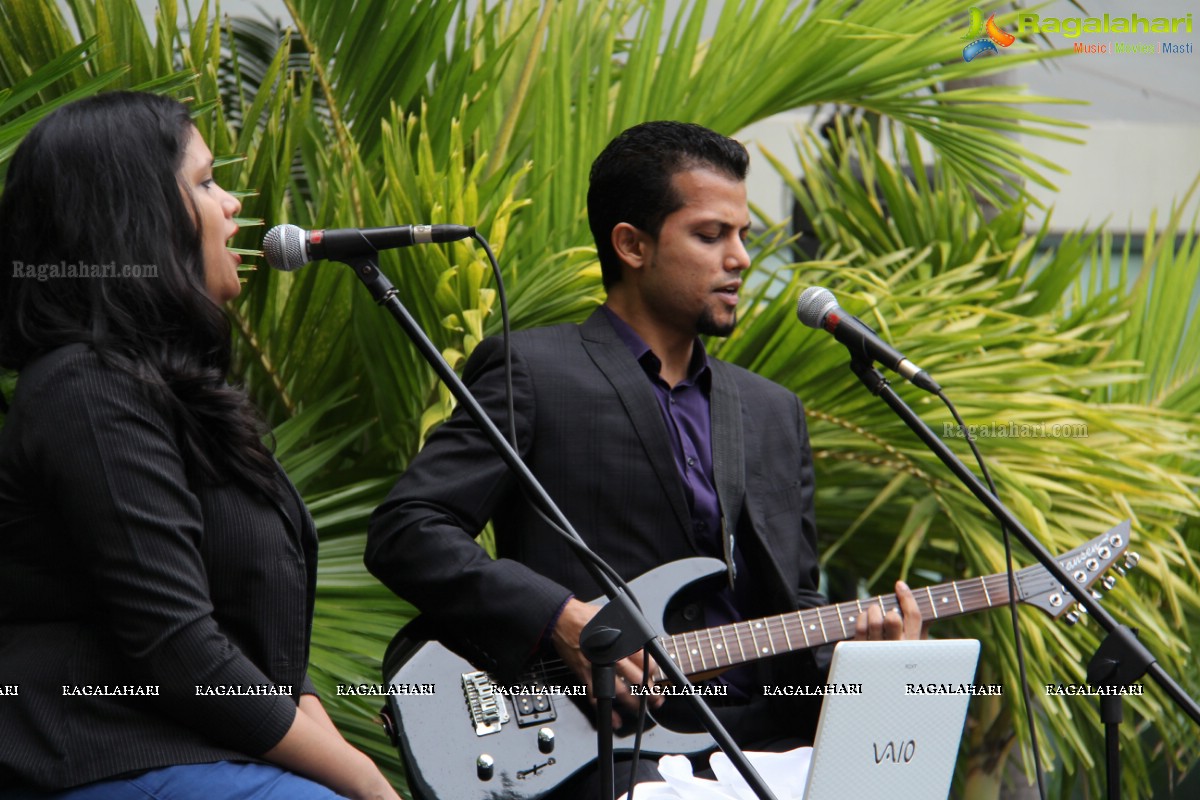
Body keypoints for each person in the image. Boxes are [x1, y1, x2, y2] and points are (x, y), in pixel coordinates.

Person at [364, 121, 924, 797]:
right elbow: (408, 530)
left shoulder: (773, 411)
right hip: (601, 748)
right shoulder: (536, 371)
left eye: (744, 235)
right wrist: (560, 618)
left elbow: (795, 602)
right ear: (631, 244)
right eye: (711, 235)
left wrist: (861, 664)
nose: (741, 258)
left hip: (772, 744)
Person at [0, 92, 399, 800]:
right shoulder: (86, 390)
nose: (234, 204)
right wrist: (366, 782)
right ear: (136, 216)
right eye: (208, 181)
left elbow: (258, 641)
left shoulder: (172, 391)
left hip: (205, 756)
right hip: (106, 754)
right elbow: (179, 645)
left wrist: (343, 760)